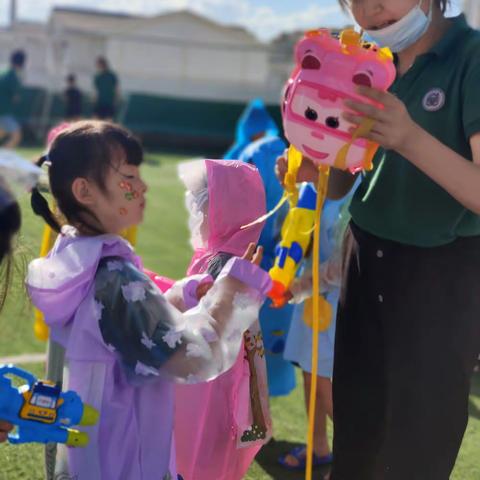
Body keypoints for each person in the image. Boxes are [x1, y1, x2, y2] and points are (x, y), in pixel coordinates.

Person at [277, 1, 480, 478]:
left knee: (415, 445)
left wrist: (408, 136)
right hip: (364, 256)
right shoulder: (363, 60)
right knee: (357, 433)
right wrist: (315, 168)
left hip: (443, 274)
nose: (369, 8)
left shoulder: (472, 58)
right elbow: (350, 178)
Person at [26, 120, 271, 479]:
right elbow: (194, 359)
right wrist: (233, 291)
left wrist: (181, 293)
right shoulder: (117, 280)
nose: (141, 186)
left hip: (90, 447)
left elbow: (127, 324)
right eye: (127, 177)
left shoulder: (77, 256)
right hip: (126, 456)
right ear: (84, 191)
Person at [174, 159, 271, 480]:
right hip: (216, 379)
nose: (195, 214)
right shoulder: (225, 255)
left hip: (212, 386)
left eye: (202, 204)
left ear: (223, 213)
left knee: (201, 455)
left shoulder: (223, 264)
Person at [239, 137, 297, 397]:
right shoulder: (293, 193)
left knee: (255, 350)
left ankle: (257, 422)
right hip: (277, 277)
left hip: (266, 277)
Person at [0, 50, 26, 149]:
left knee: (2, 131)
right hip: (3, 111)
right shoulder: (13, 76)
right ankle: (2, 159)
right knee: (17, 135)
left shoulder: (3, 72)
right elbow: (16, 98)